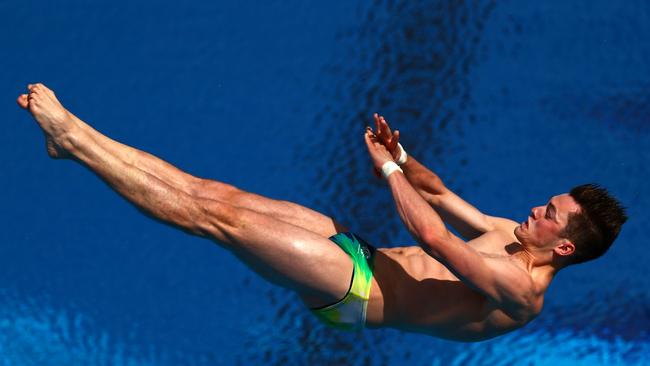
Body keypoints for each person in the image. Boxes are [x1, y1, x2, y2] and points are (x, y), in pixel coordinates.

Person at [17, 83, 627, 341]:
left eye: (549, 212)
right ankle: (74, 138)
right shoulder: (512, 237)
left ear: (565, 245)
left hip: (355, 292)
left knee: (216, 221)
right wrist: (402, 155)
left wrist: (384, 172)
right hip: (362, 253)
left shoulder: (520, 291)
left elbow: (435, 237)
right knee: (217, 194)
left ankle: (72, 142)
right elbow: (438, 195)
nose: (534, 209)